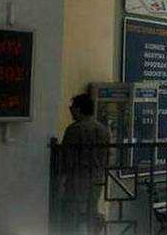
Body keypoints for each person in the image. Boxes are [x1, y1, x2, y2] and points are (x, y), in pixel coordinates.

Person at [58, 93, 111, 234]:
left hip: (78, 178)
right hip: (97, 177)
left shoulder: (74, 129)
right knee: (91, 210)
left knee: (72, 213)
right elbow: (107, 156)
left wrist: (61, 179)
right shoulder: (103, 130)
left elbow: (67, 157)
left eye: (72, 108)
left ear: (79, 109)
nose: (70, 111)